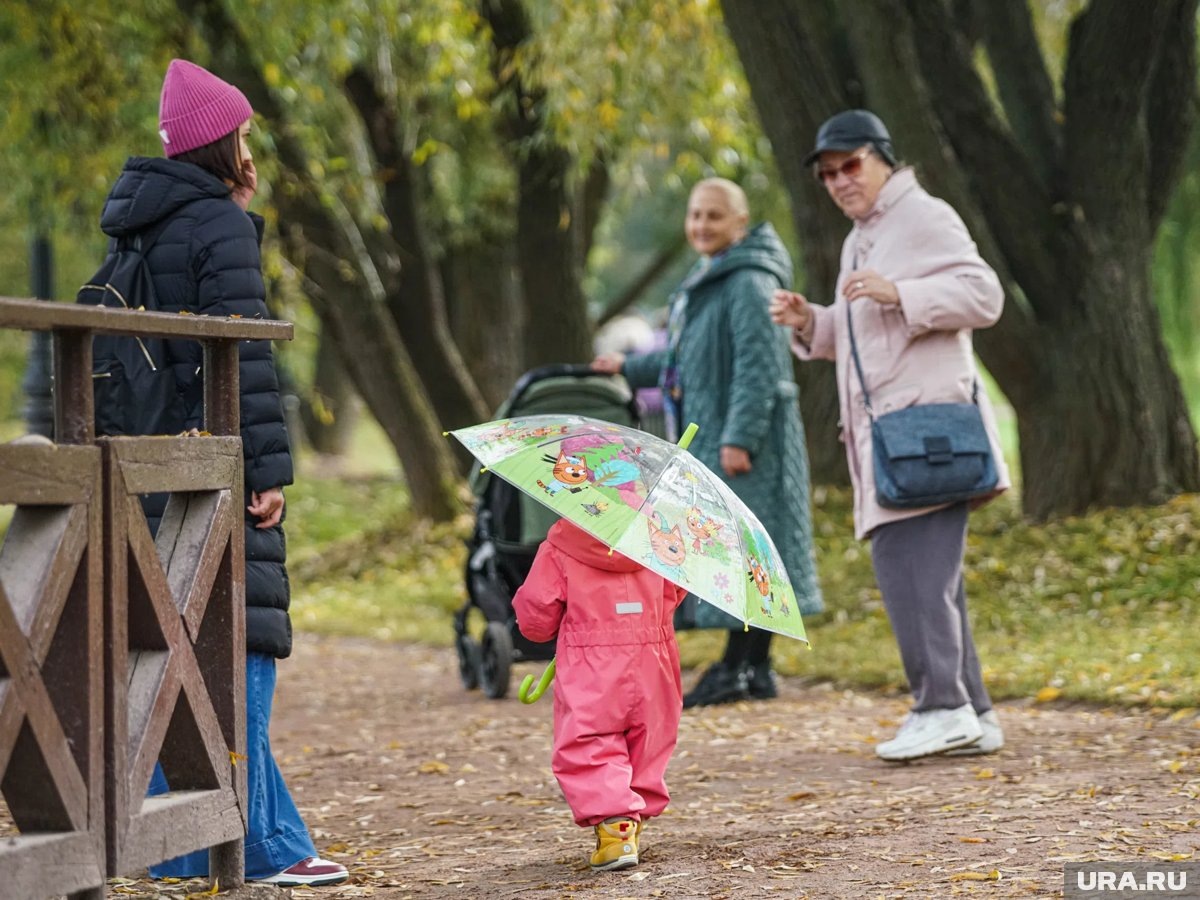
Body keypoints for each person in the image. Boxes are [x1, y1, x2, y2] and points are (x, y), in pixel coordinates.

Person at [97, 59, 348, 886]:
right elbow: (242, 357)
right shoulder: (220, 227)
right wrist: (263, 472)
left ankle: (180, 845)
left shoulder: (137, 224)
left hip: (148, 465)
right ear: (221, 143)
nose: (251, 147)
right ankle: (266, 848)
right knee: (240, 641)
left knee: (168, 649)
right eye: (243, 133)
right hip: (213, 465)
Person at [769, 109, 1011, 761]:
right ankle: (974, 713)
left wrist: (899, 290)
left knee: (910, 574)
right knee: (934, 582)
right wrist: (811, 322)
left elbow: (984, 296)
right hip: (893, 435)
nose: (840, 180)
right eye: (828, 173)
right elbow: (866, 337)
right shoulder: (862, 236)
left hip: (924, 433)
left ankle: (940, 706)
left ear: (884, 158)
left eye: (851, 165)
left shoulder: (921, 216)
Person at [592, 177, 823, 707]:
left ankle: (739, 666)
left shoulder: (749, 283)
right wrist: (628, 366)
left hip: (747, 440)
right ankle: (753, 669)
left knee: (747, 551)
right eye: (695, 215)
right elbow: (687, 362)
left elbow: (758, 367)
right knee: (732, 546)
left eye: (714, 216)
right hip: (716, 433)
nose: (701, 225)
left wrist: (740, 438)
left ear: (740, 224)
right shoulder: (709, 279)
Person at [513, 519, 687, 871]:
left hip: (590, 661)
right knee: (649, 737)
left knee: (589, 739)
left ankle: (616, 826)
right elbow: (676, 592)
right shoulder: (660, 539)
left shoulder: (560, 546)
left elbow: (535, 616)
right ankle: (633, 820)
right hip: (653, 657)